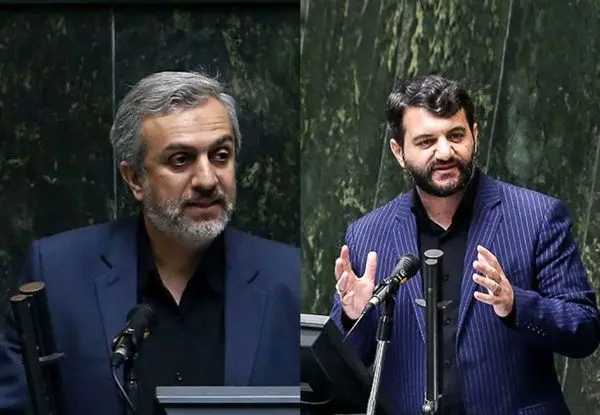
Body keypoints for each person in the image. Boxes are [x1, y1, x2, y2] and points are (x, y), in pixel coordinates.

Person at [0, 71, 299, 415]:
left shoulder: (288, 279)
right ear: (134, 179)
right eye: (180, 160)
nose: (207, 180)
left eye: (220, 155)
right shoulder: (57, 274)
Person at [331, 74, 600, 415]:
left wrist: (516, 304)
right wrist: (353, 317)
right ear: (399, 152)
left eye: (456, 136)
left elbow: (584, 329)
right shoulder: (367, 236)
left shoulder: (538, 217)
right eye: (426, 142)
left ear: (475, 134)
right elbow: (340, 371)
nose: (445, 152)